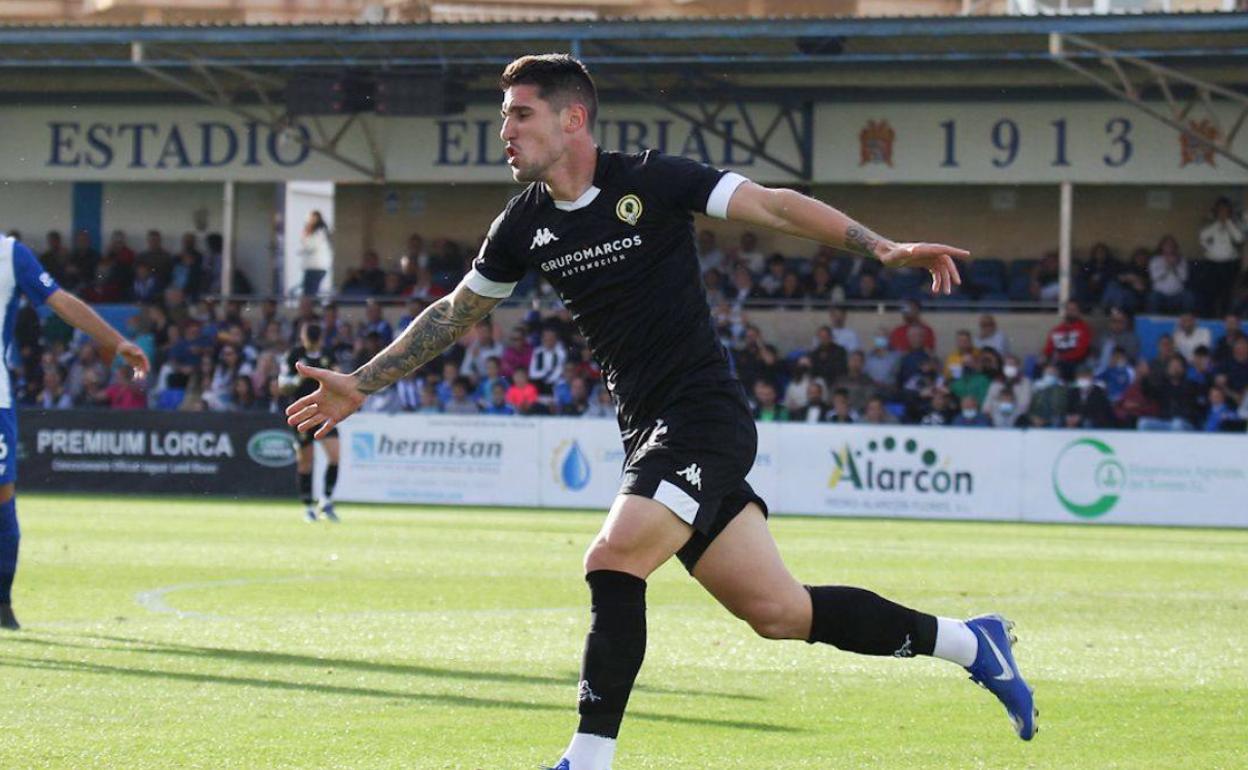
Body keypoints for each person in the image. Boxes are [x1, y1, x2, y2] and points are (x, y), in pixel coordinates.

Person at [285, 54, 1034, 769]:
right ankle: (972, 643)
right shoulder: (521, 225)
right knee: (778, 613)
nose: (505, 131)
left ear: (573, 119)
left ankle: (588, 759)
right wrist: (362, 383)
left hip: (702, 417)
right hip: (648, 430)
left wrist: (883, 247)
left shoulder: (654, 178)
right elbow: (456, 312)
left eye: (520, 114)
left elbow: (772, 205)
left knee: (613, 559)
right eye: (503, 117)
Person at [0, 235, 150, 631]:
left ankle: (1, 600)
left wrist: (116, 341)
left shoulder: (9, 253)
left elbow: (60, 301)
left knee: (1, 495)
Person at [278, 321, 340, 523]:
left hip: (324, 412)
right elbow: (282, 384)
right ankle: (308, 507)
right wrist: (297, 380)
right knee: (306, 461)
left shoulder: (328, 355)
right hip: (302, 413)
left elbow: (339, 377)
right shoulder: (294, 355)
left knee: (334, 455)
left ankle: (326, 500)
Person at [1198, 197, 1244, 316]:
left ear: (1229, 211)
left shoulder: (1234, 223)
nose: (1223, 212)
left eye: (1225, 210)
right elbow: (1202, 237)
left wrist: (1227, 222)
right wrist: (1218, 223)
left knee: (1226, 295)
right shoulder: (1209, 223)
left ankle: (1224, 318)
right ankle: (1209, 317)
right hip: (1212, 263)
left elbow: (1239, 239)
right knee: (1210, 294)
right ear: (1216, 211)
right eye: (1220, 210)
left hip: (1229, 264)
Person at [299, 210, 333, 298]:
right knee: (309, 292)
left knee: (310, 293)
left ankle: (312, 308)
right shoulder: (319, 233)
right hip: (313, 267)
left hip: (316, 267)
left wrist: (305, 235)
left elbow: (310, 246)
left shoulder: (320, 232)